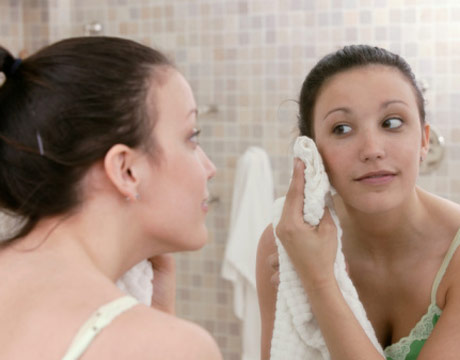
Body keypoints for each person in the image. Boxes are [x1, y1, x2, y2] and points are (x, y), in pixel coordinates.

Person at [0, 36, 221, 359]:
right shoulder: (170, 347)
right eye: (191, 136)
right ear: (125, 169)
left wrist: (156, 314)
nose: (209, 168)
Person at [256, 45, 460, 360]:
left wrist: (319, 280)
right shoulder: (286, 241)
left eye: (392, 123)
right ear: (310, 151)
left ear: (423, 140)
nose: (372, 149)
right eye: (342, 129)